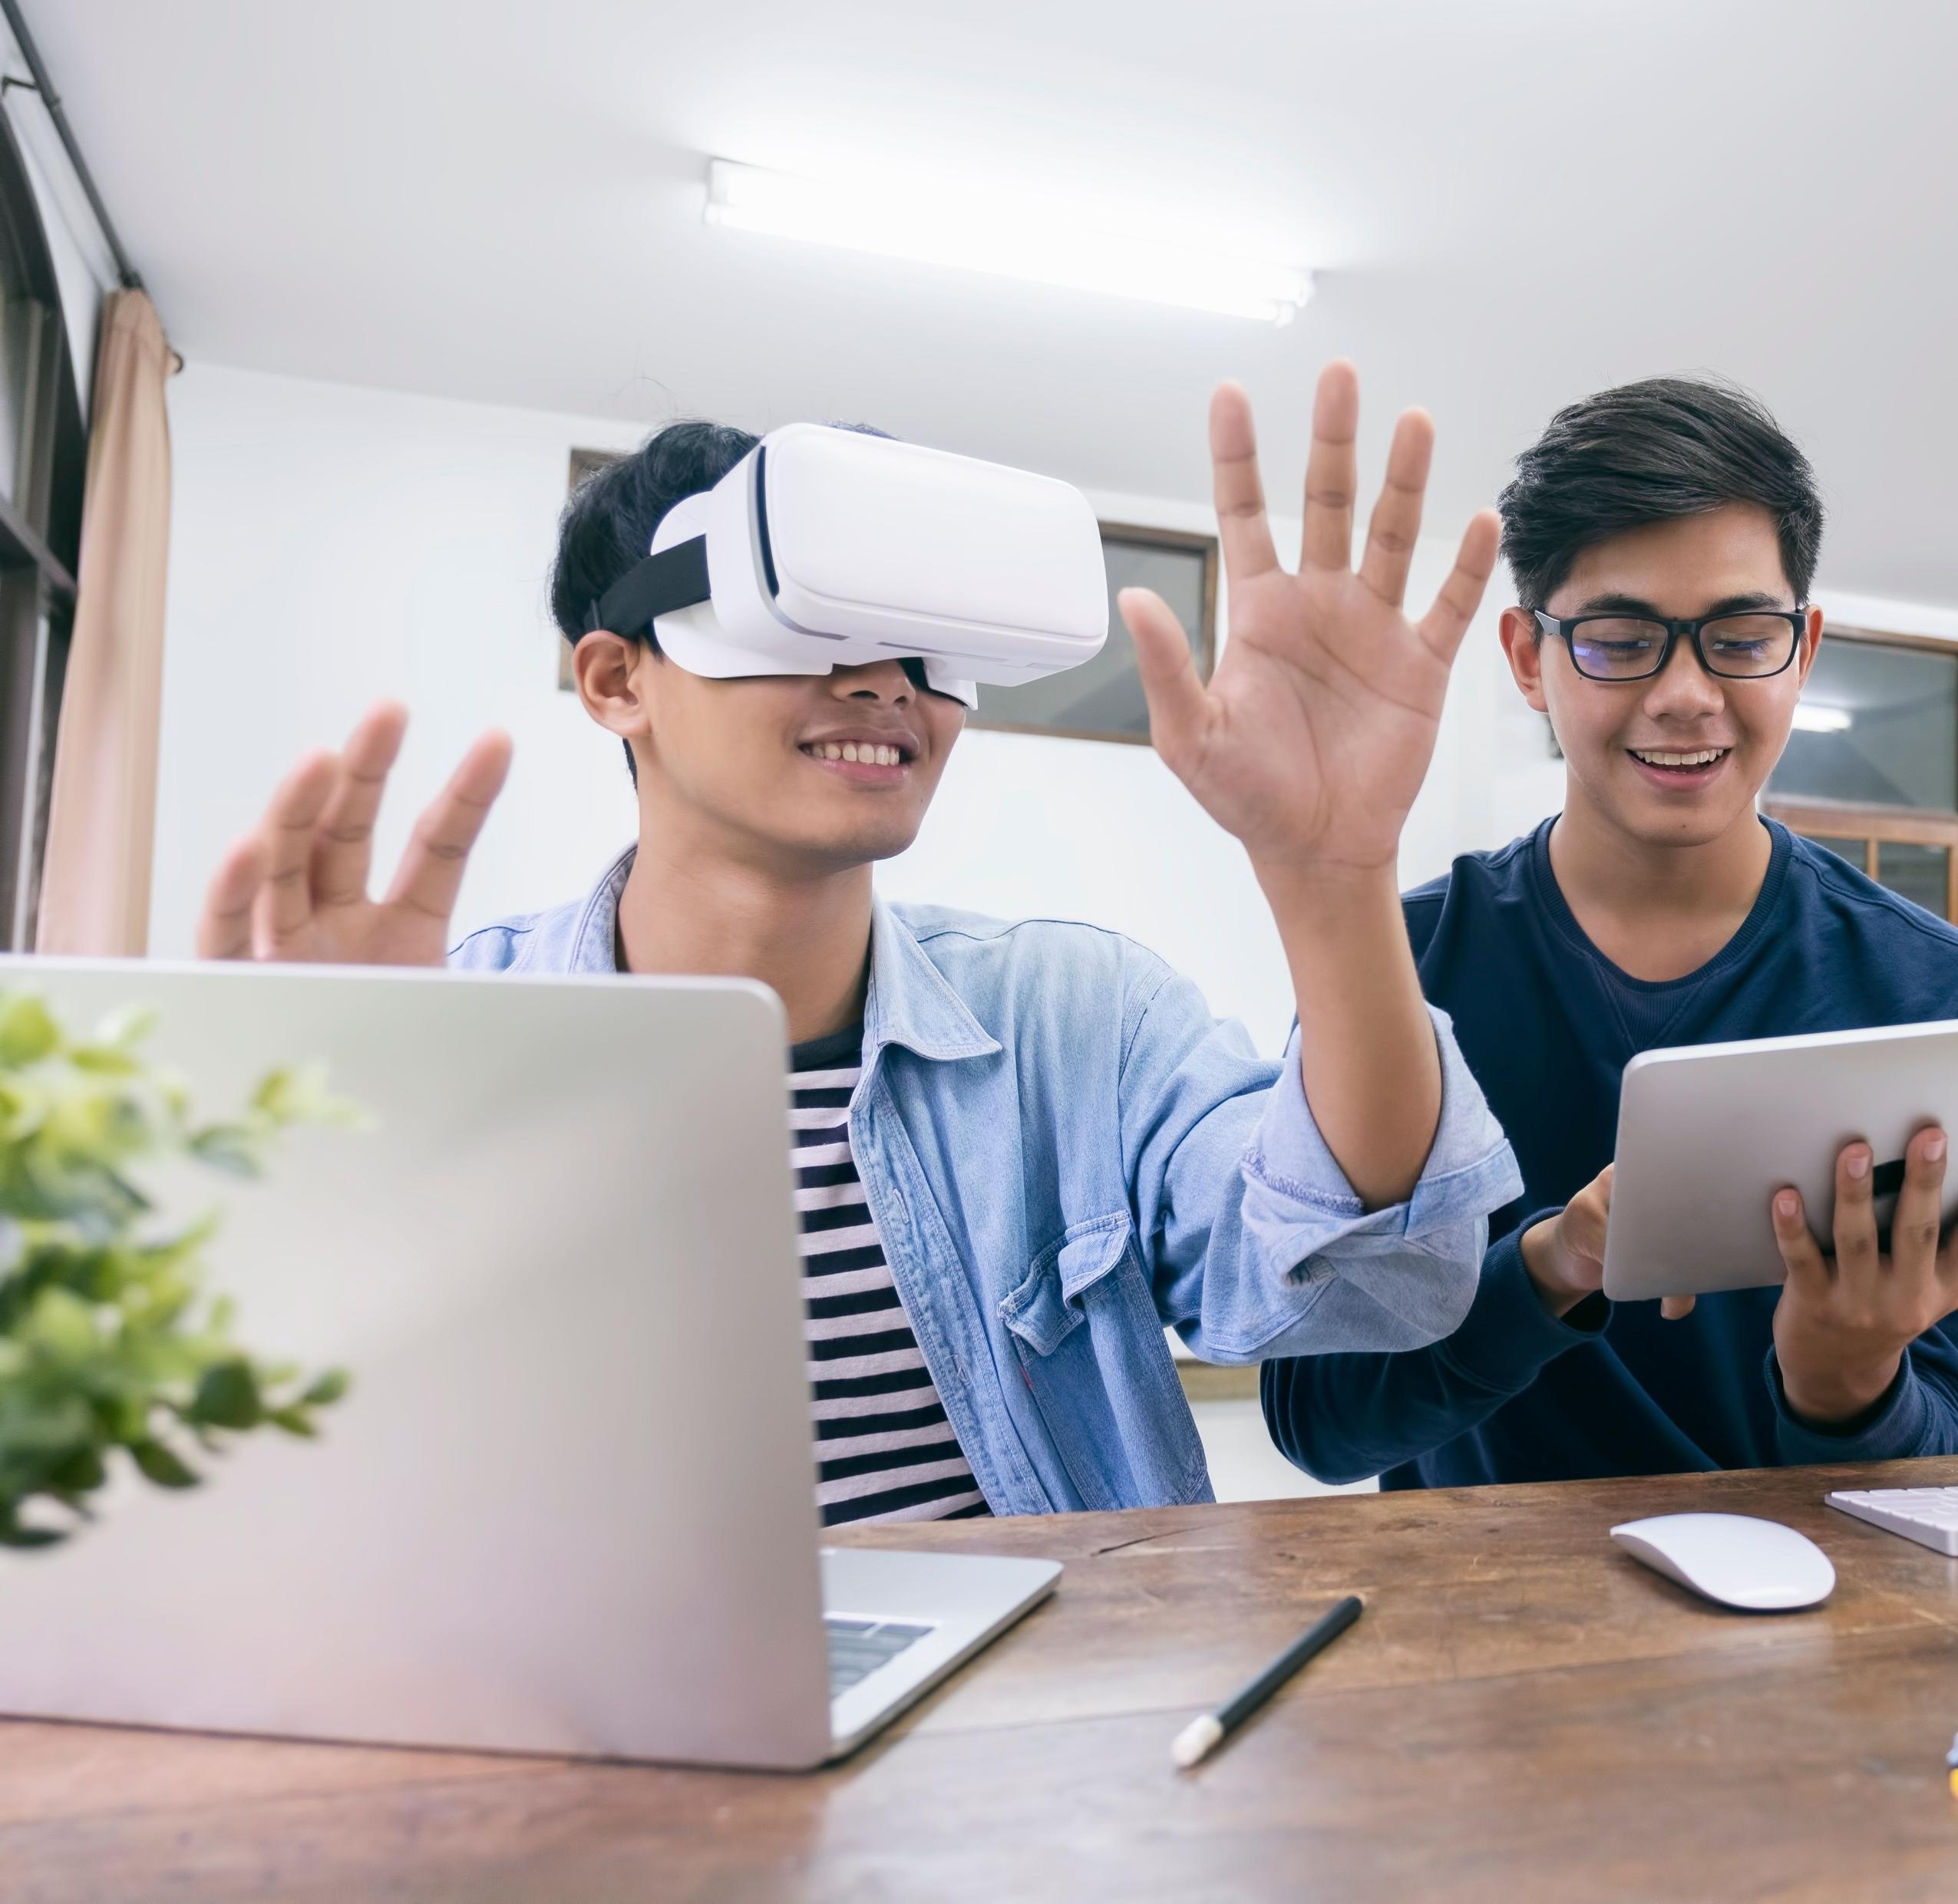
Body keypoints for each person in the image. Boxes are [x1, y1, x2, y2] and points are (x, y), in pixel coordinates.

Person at [196, 365, 1522, 1517]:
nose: (884, 683)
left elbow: (1378, 1292)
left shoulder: (1080, 1021)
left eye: (925, 645)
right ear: (616, 681)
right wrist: (306, 1171)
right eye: (803, 623)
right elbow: (255, 1466)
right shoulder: (453, 1033)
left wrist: (1332, 877)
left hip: (1037, 1737)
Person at [1261, 376, 1958, 1490]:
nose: (1685, 694)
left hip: (1815, 1624)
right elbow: (1320, 1425)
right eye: (1622, 639)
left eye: (1740, 636)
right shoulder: (1402, 966)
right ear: (1530, 657)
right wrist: (1549, 1265)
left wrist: (1843, 1374)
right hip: (1478, 1627)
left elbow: (1933, 1468)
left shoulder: (1939, 1000)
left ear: (1802, 650)